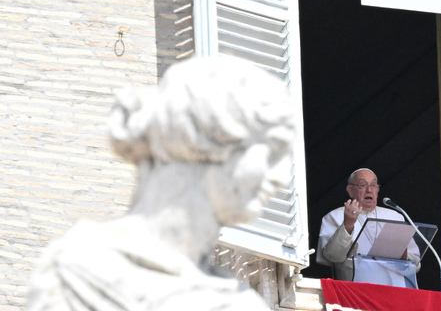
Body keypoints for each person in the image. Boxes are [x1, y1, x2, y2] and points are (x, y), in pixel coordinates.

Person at [27, 57, 296, 311]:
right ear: (207, 137)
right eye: (272, 152)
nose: (282, 177)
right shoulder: (73, 273)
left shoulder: (238, 302)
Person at [317, 168, 420, 287]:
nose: (369, 190)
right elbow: (332, 257)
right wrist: (347, 225)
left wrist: (403, 257)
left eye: (373, 185)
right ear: (350, 190)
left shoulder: (395, 217)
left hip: (395, 291)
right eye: (362, 185)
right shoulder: (335, 216)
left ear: (377, 190)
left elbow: (416, 262)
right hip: (355, 293)